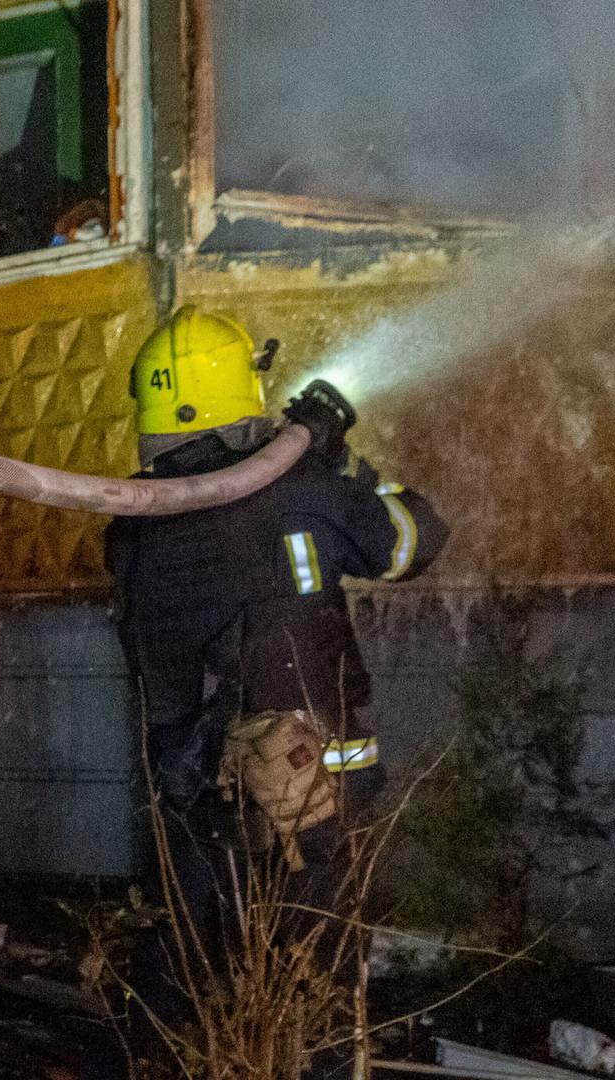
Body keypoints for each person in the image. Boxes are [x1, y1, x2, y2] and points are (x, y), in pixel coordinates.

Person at [100, 307, 449, 1076]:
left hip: (194, 790)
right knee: (315, 966)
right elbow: (411, 540)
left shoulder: (129, 522)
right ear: (241, 393)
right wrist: (343, 466)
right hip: (315, 791)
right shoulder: (305, 493)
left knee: (188, 953)